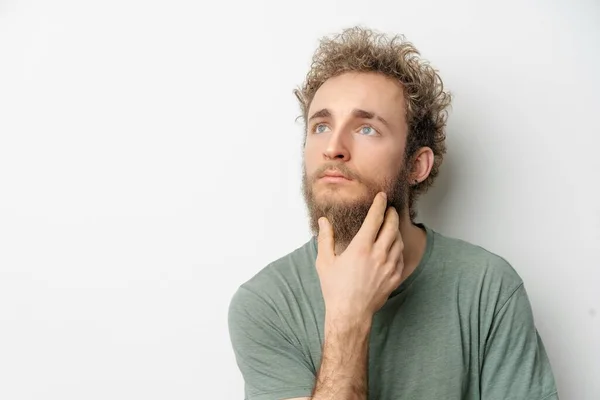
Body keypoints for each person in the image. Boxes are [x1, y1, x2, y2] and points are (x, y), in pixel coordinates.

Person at [227, 26, 559, 400]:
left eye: (366, 128)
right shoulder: (265, 304)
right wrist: (348, 319)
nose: (333, 147)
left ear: (416, 166)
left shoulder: (488, 288)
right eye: (321, 126)